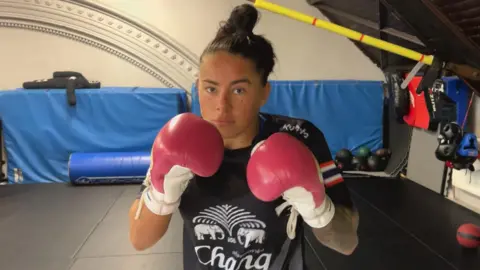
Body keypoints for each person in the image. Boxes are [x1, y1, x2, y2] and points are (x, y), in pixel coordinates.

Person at [128, 4, 359, 269]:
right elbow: (139, 239)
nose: (221, 106)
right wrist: (161, 196)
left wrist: (318, 210)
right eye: (211, 88)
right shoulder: (178, 143)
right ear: (198, 87)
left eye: (238, 91)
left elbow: (347, 241)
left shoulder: (300, 138)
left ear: (264, 92)